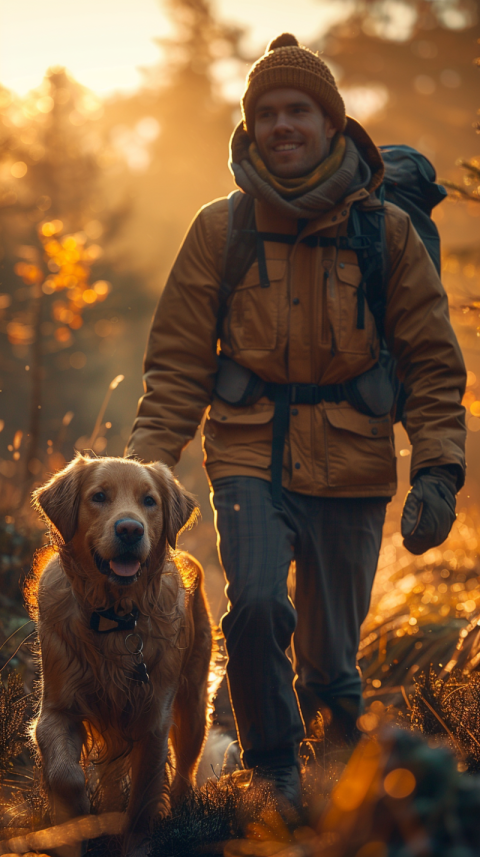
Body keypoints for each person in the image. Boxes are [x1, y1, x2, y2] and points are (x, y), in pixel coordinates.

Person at [127, 33, 466, 808]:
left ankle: (339, 793)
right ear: (250, 128)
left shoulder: (387, 233)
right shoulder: (222, 228)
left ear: (332, 122)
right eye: (268, 111)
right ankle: (274, 767)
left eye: (299, 110)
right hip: (248, 450)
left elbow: (431, 363)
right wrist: (145, 469)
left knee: (331, 663)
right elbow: (178, 362)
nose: (283, 124)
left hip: (354, 457)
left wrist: (439, 469)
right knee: (253, 604)